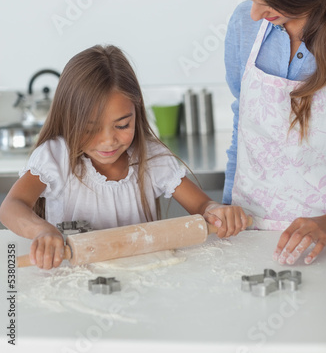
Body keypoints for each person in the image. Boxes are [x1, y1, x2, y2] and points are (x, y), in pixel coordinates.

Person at [0, 45, 248, 269]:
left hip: (142, 283)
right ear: (69, 118)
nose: (108, 140)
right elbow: (11, 207)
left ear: (136, 111)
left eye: (122, 125)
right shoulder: (56, 157)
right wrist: (42, 230)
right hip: (72, 282)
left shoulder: (151, 158)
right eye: (90, 128)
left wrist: (217, 211)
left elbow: (204, 207)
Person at [224, 0, 326, 265]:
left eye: (268, 2)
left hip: (325, 248)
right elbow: (244, 131)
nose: (254, 14)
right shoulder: (243, 25)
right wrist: (222, 212)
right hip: (247, 237)